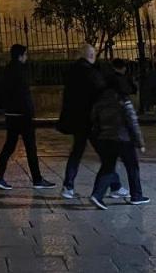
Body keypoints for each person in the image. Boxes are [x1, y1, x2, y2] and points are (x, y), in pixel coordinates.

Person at [0, 44, 56, 190]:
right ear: (20, 55)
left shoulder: (7, 70)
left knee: (9, 146)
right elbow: (24, 94)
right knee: (30, 148)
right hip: (23, 115)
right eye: (25, 54)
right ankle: (37, 179)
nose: (27, 57)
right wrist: (31, 112)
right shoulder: (20, 71)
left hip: (11, 114)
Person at [87, 59, 148, 208]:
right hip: (123, 138)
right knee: (132, 166)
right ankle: (136, 195)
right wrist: (140, 142)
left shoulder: (101, 100)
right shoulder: (123, 100)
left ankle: (97, 194)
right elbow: (132, 122)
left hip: (106, 138)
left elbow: (93, 118)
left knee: (108, 166)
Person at [57, 43, 105, 199]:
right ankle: (115, 186)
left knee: (76, 152)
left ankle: (68, 186)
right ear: (90, 56)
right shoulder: (90, 73)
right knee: (105, 154)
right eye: (93, 54)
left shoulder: (72, 71)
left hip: (77, 120)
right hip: (89, 120)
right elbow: (100, 92)